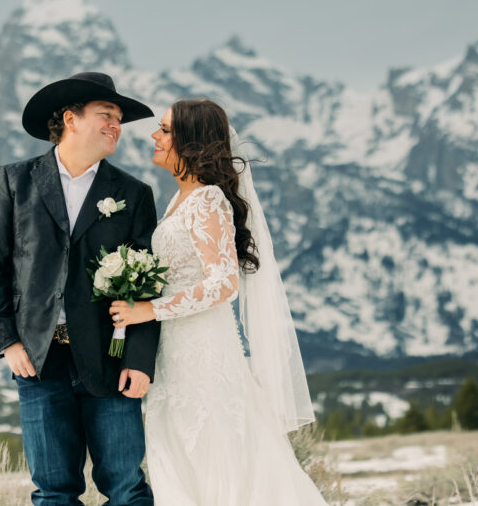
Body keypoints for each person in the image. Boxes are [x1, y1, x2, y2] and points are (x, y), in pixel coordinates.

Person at [109, 98, 327, 505]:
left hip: (204, 353)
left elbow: (223, 283)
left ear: (191, 141)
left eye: (166, 129)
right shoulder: (178, 200)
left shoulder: (207, 200)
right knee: (179, 453)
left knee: (214, 454)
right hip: (174, 352)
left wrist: (149, 309)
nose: (155, 136)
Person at [0, 72, 161, 506]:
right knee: (54, 491)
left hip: (110, 360)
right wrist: (7, 342)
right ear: (70, 120)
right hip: (38, 361)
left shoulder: (133, 194)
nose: (116, 125)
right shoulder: (13, 182)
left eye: (118, 119)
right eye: (106, 115)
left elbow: (147, 284)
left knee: (127, 489)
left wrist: (140, 360)